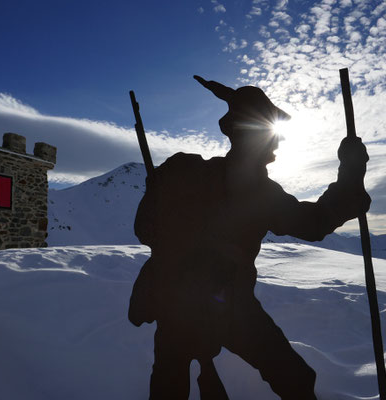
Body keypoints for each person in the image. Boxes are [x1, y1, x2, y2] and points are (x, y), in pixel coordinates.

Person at [128, 75, 371, 400]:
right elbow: (314, 223)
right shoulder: (256, 191)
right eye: (272, 134)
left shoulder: (184, 172)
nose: (278, 142)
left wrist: (161, 196)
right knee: (294, 378)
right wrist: (351, 173)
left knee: (168, 386)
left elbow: (145, 230)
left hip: (174, 303)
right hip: (230, 308)